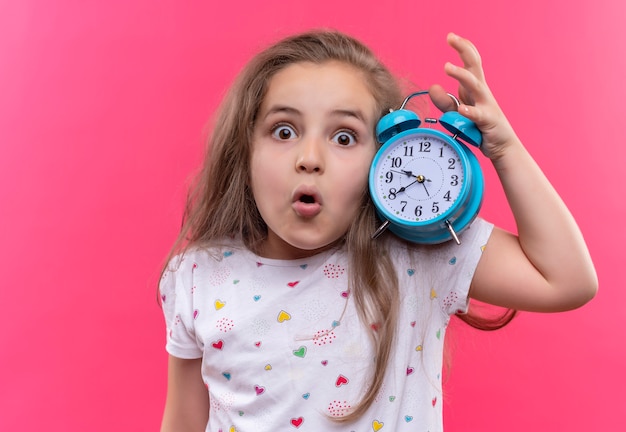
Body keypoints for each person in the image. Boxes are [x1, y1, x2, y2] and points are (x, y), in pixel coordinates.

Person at [158, 30, 597, 432]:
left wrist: (504, 148)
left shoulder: (418, 257)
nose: (309, 158)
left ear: (384, 160)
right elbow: (182, 422)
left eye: (344, 137)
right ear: (245, 150)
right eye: (284, 130)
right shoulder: (196, 275)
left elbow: (565, 280)